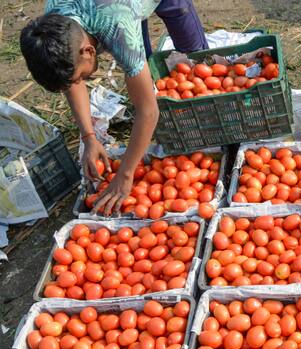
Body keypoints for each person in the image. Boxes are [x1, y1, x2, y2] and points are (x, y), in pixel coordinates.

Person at [19, 0, 208, 215]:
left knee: (192, 57)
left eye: (80, 76)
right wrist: (89, 137)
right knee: (138, 59)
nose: (80, 81)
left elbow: (148, 111)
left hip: (120, 13)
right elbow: (71, 80)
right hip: (118, 11)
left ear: (89, 50)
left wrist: (125, 174)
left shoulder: (119, 28)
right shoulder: (52, 27)